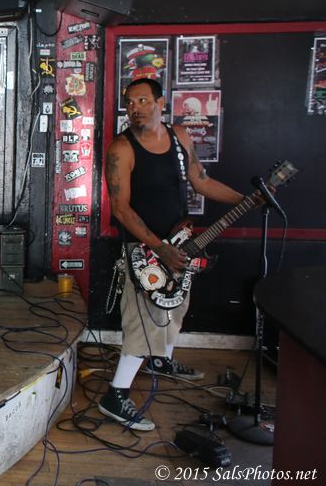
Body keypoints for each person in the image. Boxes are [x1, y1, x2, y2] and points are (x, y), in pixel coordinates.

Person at [100, 78, 243, 431]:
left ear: (161, 103)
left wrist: (244, 201)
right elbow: (121, 209)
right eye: (130, 102)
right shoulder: (122, 148)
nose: (135, 108)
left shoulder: (179, 137)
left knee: (175, 308)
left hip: (179, 243)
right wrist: (159, 248)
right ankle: (115, 396)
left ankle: (160, 360)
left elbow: (201, 181)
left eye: (143, 100)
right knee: (143, 321)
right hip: (145, 250)